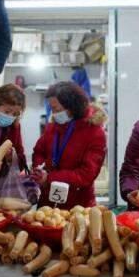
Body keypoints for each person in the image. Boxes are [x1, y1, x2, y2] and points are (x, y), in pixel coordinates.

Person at [31, 81, 107, 209]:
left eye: (57, 109)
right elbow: (39, 151)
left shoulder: (94, 132)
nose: (54, 113)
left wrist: (50, 178)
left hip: (78, 205)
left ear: (72, 107)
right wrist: (39, 170)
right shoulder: (53, 126)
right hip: (48, 202)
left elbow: (86, 175)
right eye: (52, 108)